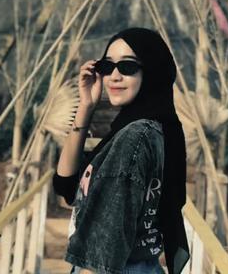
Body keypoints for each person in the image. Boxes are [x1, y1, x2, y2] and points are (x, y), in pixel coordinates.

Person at [53, 27, 189, 274]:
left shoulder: (135, 138)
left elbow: (104, 251)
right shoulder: (138, 131)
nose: (114, 76)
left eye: (127, 67)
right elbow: (66, 185)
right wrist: (86, 106)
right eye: (107, 67)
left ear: (152, 72)